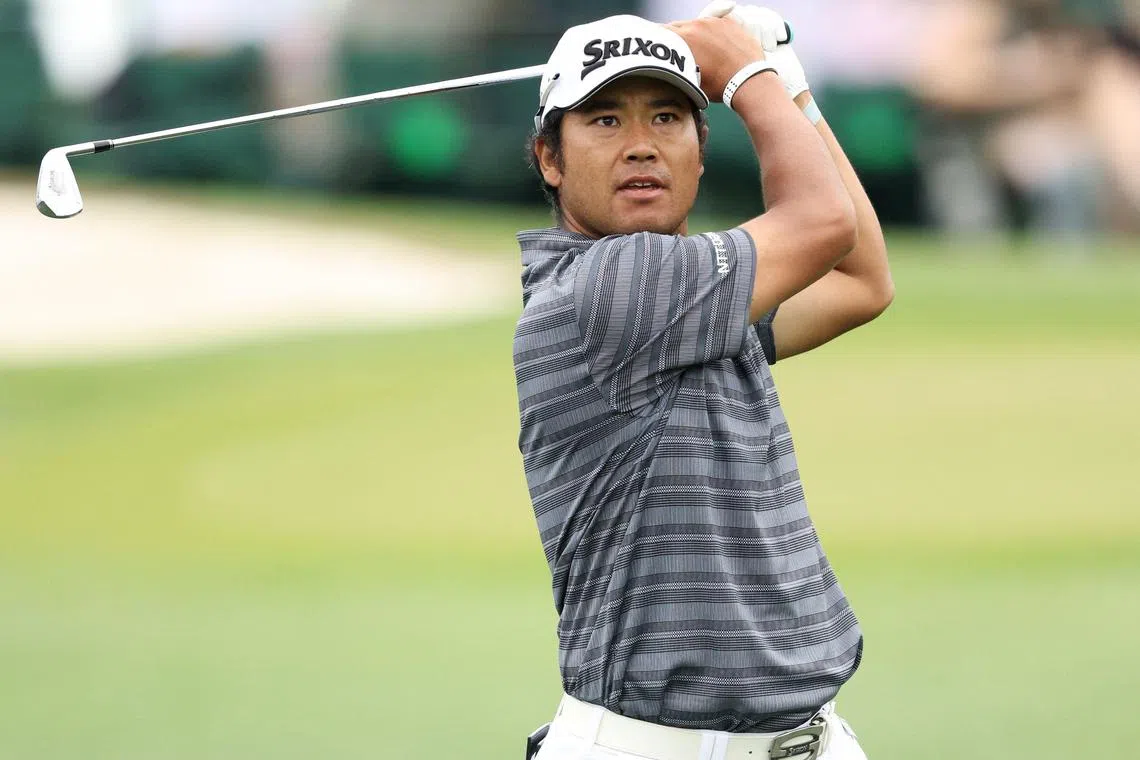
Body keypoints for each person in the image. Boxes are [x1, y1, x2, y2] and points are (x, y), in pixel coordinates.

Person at [513, 3, 892, 759]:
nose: (642, 146)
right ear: (550, 159)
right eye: (604, 121)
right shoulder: (610, 290)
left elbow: (860, 280)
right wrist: (751, 74)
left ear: (700, 148)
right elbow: (823, 222)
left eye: (666, 116)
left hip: (809, 739)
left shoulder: (696, 302)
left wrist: (789, 81)